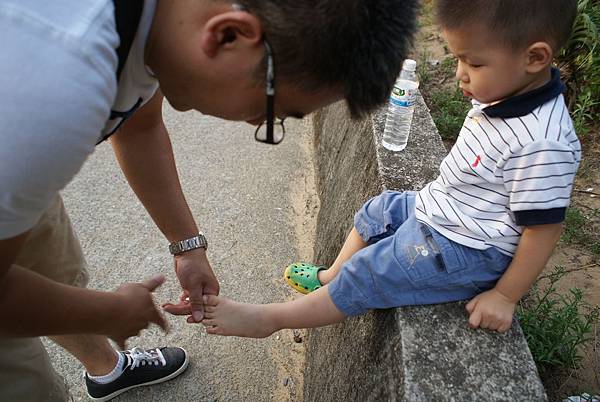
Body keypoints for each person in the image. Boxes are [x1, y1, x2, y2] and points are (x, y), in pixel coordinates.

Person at [0, 0, 418, 400]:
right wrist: (106, 313)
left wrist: (188, 247)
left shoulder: (154, 26)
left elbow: (139, 127)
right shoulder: (52, 95)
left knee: (50, 267)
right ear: (229, 35)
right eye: (275, 113)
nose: (261, 123)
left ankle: (106, 370)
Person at [198, 0, 582, 339]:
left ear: (535, 58)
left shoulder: (542, 144)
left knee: (371, 269)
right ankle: (331, 277)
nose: (461, 75)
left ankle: (272, 319)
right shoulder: (510, 88)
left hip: (470, 248)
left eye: (474, 62)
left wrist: (504, 295)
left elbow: (543, 228)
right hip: (447, 208)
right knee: (378, 209)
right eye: (459, 59)